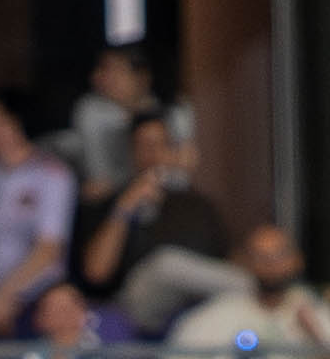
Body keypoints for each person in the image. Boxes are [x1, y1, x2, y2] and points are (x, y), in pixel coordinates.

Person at [71, 110, 230, 324]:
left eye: (160, 144)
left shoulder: (198, 205)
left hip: (195, 318)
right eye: (144, 145)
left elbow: (218, 268)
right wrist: (125, 208)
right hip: (132, 311)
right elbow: (96, 273)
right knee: (166, 264)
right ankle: (257, 288)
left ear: (172, 150)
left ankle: (261, 290)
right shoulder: (109, 203)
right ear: (130, 151)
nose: (153, 153)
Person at [158, 225, 330, 359]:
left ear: (297, 260)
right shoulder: (221, 310)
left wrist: (315, 337)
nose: (271, 264)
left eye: (279, 255)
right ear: (244, 262)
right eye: (261, 256)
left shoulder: (314, 310)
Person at [0, 91, 75, 335]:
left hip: (36, 298)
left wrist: (5, 296)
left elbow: (48, 249)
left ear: (14, 121)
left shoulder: (51, 175)